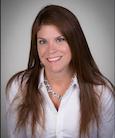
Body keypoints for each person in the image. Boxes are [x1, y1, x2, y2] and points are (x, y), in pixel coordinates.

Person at [6, 4, 115, 138]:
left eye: (60, 39)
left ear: (75, 43)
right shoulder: (19, 87)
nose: (51, 50)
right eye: (43, 42)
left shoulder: (101, 92)